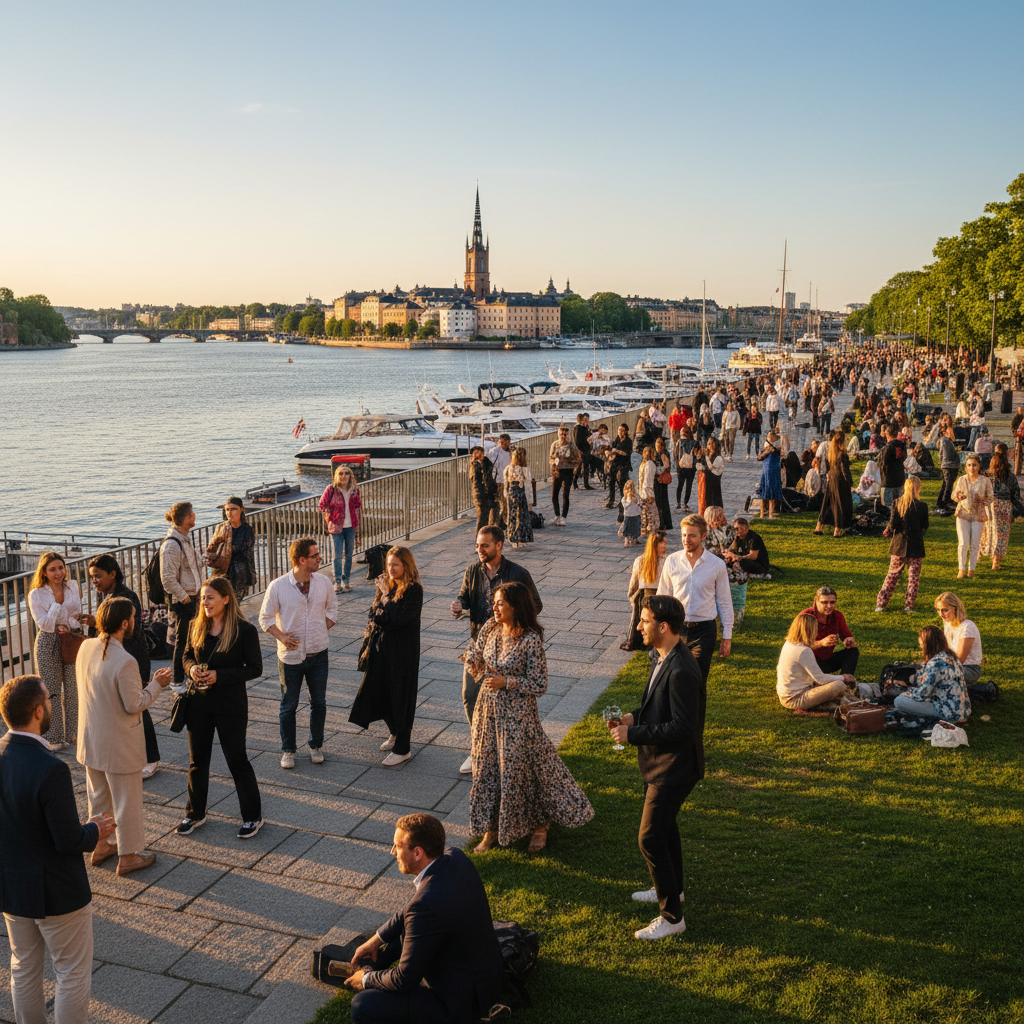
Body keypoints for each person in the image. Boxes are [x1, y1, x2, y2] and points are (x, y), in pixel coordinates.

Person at [1, 674, 116, 1024]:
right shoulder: (51, 769)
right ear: (38, 712)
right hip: (57, 891)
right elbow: (67, 840)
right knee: (71, 972)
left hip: (12, 887)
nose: (52, 705)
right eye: (49, 700)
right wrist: (96, 829)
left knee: (23, 967)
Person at [464, 582, 593, 853]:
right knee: (487, 769)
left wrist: (506, 682)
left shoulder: (530, 640)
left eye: (501, 603)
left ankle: (539, 825)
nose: (495, 608)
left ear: (516, 606)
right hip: (487, 712)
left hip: (518, 717)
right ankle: (491, 828)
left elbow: (539, 684)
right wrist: (479, 670)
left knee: (520, 771)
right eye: (495, 602)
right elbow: (474, 657)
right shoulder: (489, 627)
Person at [344, 813, 505, 1024]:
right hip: (488, 978)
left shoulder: (424, 907)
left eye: (398, 846)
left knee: (362, 1006)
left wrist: (366, 980)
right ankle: (375, 964)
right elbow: (409, 911)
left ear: (418, 852)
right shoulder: (455, 857)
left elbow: (404, 980)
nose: (393, 851)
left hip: (458, 1004)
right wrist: (377, 939)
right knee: (405, 928)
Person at [607, 595, 704, 941]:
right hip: (664, 764)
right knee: (665, 829)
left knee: (649, 837)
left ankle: (672, 917)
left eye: (644, 621)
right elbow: (658, 706)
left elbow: (682, 727)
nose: (638, 626)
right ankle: (672, 890)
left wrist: (631, 733)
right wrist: (635, 716)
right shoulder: (663, 656)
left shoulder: (681, 669)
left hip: (674, 768)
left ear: (663, 627)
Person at [76, 596, 173, 875]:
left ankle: (100, 844)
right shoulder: (125, 660)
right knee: (126, 800)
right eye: (133, 617)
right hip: (119, 743)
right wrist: (156, 684)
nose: (136, 621)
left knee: (99, 797)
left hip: (91, 739)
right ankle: (128, 856)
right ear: (123, 623)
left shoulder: (86, 647)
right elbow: (135, 704)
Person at [450, 527, 542, 776]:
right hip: (478, 647)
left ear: (499, 545)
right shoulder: (472, 571)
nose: (480, 550)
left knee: (501, 704)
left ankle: (502, 749)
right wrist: (460, 605)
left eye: (485, 546)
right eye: (478, 546)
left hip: (506, 649)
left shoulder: (518, 573)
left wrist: (511, 626)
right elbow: (465, 597)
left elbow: (536, 605)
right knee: (471, 696)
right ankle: (477, 747)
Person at [178, 577, 264, 839]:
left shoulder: (244, 630)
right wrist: (191, 668)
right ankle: (195, 813)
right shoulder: (195, 625)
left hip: (230, 705)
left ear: (226, 599)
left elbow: (255, 668)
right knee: (197, 762)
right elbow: (185, 656)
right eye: (203, 598)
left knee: (237, 760)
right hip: (198, 704)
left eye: (210, 597)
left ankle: (252, 816)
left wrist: (220, 675)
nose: (204, 602)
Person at [259, 538, 337, 769]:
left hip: (319, 653)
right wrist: (282, 636)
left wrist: (320, 629)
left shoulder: (323, 582)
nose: (320, 559)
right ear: (302, 560)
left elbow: (333, 610)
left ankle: (316, 745)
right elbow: (265, 618)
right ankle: (288, 750)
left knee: (319, 703)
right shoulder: (278, 586)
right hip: (290, 657)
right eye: (315, 556)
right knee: (289, 704)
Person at [83, 554, 161, 778]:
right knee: (124, 709)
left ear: (112, 574)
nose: (94, 581)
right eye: (92, 578)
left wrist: (97, 623)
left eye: (98, 576)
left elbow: (131, 631)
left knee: (138, 708)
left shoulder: (126, 597)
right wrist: (95, 623)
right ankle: (130, 754)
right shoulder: (105, 595)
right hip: (115, 658)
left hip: (132, 658)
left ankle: (151, 757)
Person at [351, 547, 424, 767]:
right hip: (381, 649)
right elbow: (374, 615)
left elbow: (398, 619)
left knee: (401, 697)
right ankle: (394, 731)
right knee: (380, 692)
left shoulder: (414, 590)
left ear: (406, 566)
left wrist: (385, 596)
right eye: (389, 564)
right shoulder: (387, 585)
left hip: (402, 653)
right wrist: (383, 599)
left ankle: (403, 747)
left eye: (396, 565)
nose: (390, 569)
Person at [657, 515, 733, 683]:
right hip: (675, 629)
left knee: (696, 680)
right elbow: (663, 597)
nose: (686, 540)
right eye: (684, 535)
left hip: (704, 630)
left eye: (692, 535)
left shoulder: (716, 565)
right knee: (672, 679)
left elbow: (725, 602)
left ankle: (695, 709)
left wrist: (727, 636)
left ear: (703, 536)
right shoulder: (672, 561)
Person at [27, 551, 85, 750]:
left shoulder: (73, 586)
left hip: (70, 639)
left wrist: (65, 624)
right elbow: (44, 624)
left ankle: (74, 734)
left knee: (73, 690)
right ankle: (54, 737)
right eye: (53, 569)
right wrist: (57, 608)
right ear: (44, 572)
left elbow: (75, 616)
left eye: (61, 567)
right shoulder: (36, 594)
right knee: (51, 692)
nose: (59, 573)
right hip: (47, 643)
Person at [160, 501, 205, 693]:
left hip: (193, 598)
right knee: (182, 642)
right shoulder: (172, 544)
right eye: (192, 514)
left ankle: (189, 676)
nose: (195, 516)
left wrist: (204, 561)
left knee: (192, 640)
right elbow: (167, 578)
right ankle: (177, 681)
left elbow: (189, 567)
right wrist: (185, 597)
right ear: (187, 518)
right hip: (184, 601)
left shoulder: (184, 538)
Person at [776, 612, 853, 711]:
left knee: (835, 683)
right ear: (809, 630)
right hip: (795, 698)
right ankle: (817, 706)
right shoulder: (803, 651)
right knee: (839, 685)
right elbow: (821, 679)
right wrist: (844, 677)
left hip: (787, 693)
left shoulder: (790, 643)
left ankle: (824, 703)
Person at [894, 626, 971, 723]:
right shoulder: (951, 656)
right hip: (963, 710)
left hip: (947, 711)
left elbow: (922, 694)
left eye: (920, 638)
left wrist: (905, 691)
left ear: (927, 642)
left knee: (899, 700)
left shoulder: (936, 663)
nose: (919, 641)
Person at [874, 477, 929, 613]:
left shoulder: (897, 503)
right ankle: (909, 605)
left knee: (892, 575)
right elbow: (925, 525)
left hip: (899, 545)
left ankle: (881, 604)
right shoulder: (922, 506)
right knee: (913, 578)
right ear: (918, 488)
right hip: (915, 545)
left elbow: (893, 524)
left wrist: (887, 530)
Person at [622, 530, 667, 651]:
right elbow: (634, 585)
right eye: (662, 543)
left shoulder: (667, 561)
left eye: (665, 543)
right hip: (645, 597)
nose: (665, 546)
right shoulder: (640, 561)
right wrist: (633, 599)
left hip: (660, 596)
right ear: (654, 545)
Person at [319, 466, 361, 593]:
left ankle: (346, 581)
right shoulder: (331, 489)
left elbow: (358, 506)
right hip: (336, 527)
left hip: (350, 526)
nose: (344, 476)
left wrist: (358, 527)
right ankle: (337, 582)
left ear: (350, 475)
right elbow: (322, 505)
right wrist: (330, 517)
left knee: (349, 556)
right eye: (341, 473)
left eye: (347, 473)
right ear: (337, 475)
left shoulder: (354, 490)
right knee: (337, 556)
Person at [206, 495, 257, 600]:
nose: (230, 512)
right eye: (227, 509)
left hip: (239, 573)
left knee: (234, 604)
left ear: (241, 510)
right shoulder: (221, 527)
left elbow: (245, 550)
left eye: (234, 509)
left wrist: (226, 547)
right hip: (221, 572)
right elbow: (212, 548)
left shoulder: (247, 529)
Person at [951, 453, 993, 578]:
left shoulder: (985, 480)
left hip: (978, 514)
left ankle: (971, 570)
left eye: (974, 465)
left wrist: (982, 501)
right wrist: (958, 497)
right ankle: (961, 569)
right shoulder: (962, 479)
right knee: (963, 542)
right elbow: (954, 495)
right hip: (963, 513)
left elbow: (991, 497)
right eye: (969, 465)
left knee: (975, 543)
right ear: (966, 467)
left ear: (979, 466)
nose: (971, 468)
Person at [801, 586, 858, 676]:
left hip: (827, 660)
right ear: (816, 601)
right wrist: (821, 643)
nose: (829, 606)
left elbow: (846, 635)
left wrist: (848, 640)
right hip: (809, 662)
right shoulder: (806, 616)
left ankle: (845, 681)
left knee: (853, 651)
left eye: (832, 602)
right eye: (824, 602)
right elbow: (798, 645)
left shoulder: (837, 616)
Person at [934, 591, 983, 684]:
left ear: (955, 609)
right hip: (951, 663)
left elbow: (960, 660)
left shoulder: (967, 627)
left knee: (939, 674)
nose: (941, 614)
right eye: (938, 610)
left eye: (945, 610)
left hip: (968, 668)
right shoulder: (948, 623)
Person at [980, 451, 1018, 571]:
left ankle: (983, 551)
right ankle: (996, 561)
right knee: (1001, 535)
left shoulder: (986, 475)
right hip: (1004, 506)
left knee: (988, 532)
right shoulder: (1011, 476)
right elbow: (1015, 493)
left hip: (990, 506)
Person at [813, 432, 853, 538]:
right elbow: (845, 471)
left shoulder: (832, 452)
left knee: (828, 503)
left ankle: (819, 526)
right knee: (840, 504)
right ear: (843, 441)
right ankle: (838, 529)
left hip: (832, 479)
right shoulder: (842, 454)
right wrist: (850, 483)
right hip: (840, 481)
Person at [549, 424, 581, 527]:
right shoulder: (555, 444)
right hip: (557, 471)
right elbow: (551, 457)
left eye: (565, 435)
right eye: (561, 434)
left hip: (568, 471)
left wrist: (572, 464)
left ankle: (563, 517)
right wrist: (553, 464)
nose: (563, 436)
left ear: (567, 435)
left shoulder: (571, 445)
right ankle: (557, 515)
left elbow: (578, 458)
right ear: (558, 434)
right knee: (554, 495)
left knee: (565, 495)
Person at [503, 447, 533, 547]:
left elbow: (505, 483)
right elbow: (528, 485)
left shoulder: (508, 468)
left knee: (512, 516)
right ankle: (522, 538)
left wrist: (506, 493)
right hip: (522, 494)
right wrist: (530, 501)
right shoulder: (525, 469)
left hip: (511, 494)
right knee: (523, 516)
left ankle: (511, 538)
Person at [485, 433, 512, 528]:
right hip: (498, 481)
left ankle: (503, 522)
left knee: (505, 504)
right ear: (501, 442)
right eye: (506, 443)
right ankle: (494, 524)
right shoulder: (494, 452)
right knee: (497, 504)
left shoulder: (509, 452)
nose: (508, 445)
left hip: (506, 481)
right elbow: (490, 466)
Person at [877, 427, 907, 509]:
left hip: (888, 480)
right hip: (900, 477)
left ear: (886, 434)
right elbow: (904, 458)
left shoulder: (886, 448)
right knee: (900, 504)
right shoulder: (902, 445)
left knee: (887, 505)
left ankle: (890, 520)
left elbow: (881, 463)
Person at [755, 430, 782, 519]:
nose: (769, 437)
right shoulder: (766, 448)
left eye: (771, 435)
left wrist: (775, 448)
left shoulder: (777, 448)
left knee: (772, 494)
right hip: (766, 472)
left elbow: (783, 451)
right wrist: (767, 452)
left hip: (774, 472)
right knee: (764, 493)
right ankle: (762, 514)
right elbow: (759, 458)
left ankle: (770, 514)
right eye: (768, 436)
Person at [470, 445, 498, 532]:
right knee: (481, 517)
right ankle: (478, 539)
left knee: (490, 516)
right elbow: (475, 482)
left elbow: (490, 476)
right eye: (474, 453)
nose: (475, 454)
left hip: (490, 492)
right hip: (479, 494)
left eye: (477, 452)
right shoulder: (474, 465)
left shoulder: (487, 462)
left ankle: (487, 536)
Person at [605, 423, 632, 510]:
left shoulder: (628, 441)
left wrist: (617, 451)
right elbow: (610, 448)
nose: (620, 432)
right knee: (611, 480)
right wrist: (608, 452)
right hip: (615, 462)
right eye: (619, 430)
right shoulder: (617, 439)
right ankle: (611, 500)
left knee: (622, 483)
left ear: (626, 432)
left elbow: (626, 453)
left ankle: (622, 500)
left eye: (622, 430)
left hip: (624, 464)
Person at [694, 435, 724, 515]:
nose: (709, 446)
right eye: (708, 443)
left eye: (711, 444)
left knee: (714, 500)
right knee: (707, 500)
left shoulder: (718, 457)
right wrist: (699, 458)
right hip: (706, 482)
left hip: (714, 482)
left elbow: (711, 468)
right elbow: (701, 465)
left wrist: (705, 458)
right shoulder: (706, 455)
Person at [935, 422, 960, 512]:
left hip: (949, 465)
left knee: (946, 484)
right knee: (948, 485)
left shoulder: (947, 441)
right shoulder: (944, 441)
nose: (952, 433)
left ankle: (941, 501)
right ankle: (945, 501)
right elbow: (946, 454)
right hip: (949, 465)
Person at [674, 424, 696, 511]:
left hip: (682, 467)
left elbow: (675, 455)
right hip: (690, 468)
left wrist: (677, 465)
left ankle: (679, 503)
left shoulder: (679, 442)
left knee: (681, 485)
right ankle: (685, 503)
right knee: (688, 485)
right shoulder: (694, 442)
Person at [653, 435, 673, 530]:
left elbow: (666, 467)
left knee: (660, 502)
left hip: (660, 480)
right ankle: (666, 523)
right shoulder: (664, 453)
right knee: (664, 501)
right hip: (662, 481)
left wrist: (656, 471)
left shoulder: (662, 454)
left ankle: (662, 523)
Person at [638, 446, 658, 537]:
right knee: (651, 513)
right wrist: (649, 493)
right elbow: (648, 480)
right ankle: (650, 530)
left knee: (644, 513)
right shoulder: (650, 463)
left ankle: (644, 529)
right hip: (647, 492)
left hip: (642, 492)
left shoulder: (643, 463)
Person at [572, 414, 594, 489]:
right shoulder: (578, 428)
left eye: (587, 419)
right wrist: (579, 451)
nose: (587, 421)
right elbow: (577, 441)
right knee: (583, 467)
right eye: (585, 419)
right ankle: (584, 484)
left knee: (583, 467)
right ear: (581, 420)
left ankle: (577, 482)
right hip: (582, 450)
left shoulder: (585, 428)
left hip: (586, 449)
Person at [619, 479, 642, 545]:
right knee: (627, 527)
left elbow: (640, 503)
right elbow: (625, 505)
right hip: (628, 515)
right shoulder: (625, 498)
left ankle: (635, 538)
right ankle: (627, 539)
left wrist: (637, 502)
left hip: (636, 514)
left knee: (636, 527)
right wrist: (630, 500)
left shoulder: (636, 496)